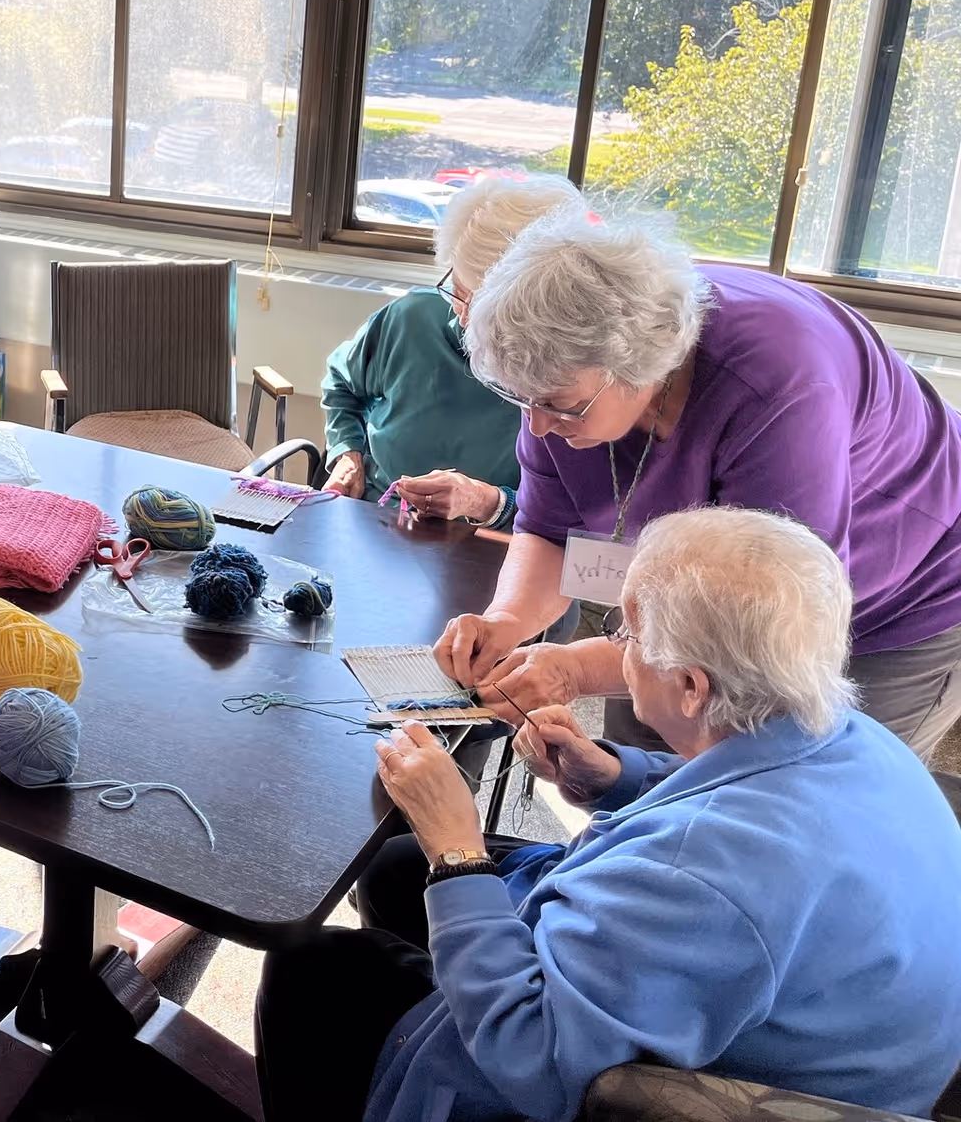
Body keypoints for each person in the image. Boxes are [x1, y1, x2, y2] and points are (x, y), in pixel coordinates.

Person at [257, 507, 961, 1122]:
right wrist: (622, 776)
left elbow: (535, 1061)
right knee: (396, 866)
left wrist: (457, 848)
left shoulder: (700, 876)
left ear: (690, 686)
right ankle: (449, 976)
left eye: (627, 636)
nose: (618, 652)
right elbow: (744, 794)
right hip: (839, 1046)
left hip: (677, 1095)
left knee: (310, 969)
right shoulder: (851, 734)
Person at [436, 214, 961, 757]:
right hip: (690, 596)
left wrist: (576, 670)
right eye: (523, 400)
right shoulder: (562, 376)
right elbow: (548, 531)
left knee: (804, 782)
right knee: (644, 762)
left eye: (557, 406)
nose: (539, 426)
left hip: (903, 594)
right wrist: (507, 621)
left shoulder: (776, 387)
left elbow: (761, 621)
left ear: (636, 370)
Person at [322, 175, 585, 525]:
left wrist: (486, 503)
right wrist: (348, 454)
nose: (462, 318)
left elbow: (564, 517)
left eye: (478, 305)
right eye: (458, 290)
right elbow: (342, 386)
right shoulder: (410, 319)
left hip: (481, 546)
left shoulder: (563, 382)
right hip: (375, 517)